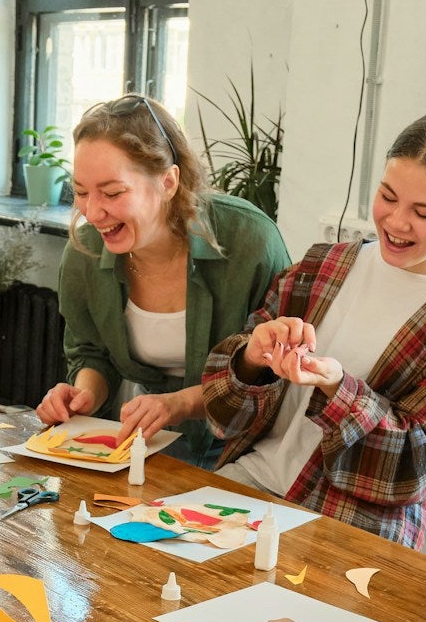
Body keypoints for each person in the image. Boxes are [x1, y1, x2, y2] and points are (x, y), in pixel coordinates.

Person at [200, 107, 426, 548]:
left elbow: (411, 468)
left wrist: (337, 388)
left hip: (350, 530)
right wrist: (252, 358)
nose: (397, 222)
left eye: (423, 213)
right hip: (246, 488)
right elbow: (224, 414)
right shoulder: (323, 266)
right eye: (387, 196)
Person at [37, 94, 292, 463]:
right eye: (79, 192)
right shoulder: (86, 251)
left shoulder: (250, 240)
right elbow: (91, 351)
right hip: (150, 443)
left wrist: (178, 404)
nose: (92, 212)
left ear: (169, 182)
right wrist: (85, 394)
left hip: (248, 449)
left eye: (112, 192)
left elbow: (274, 369)